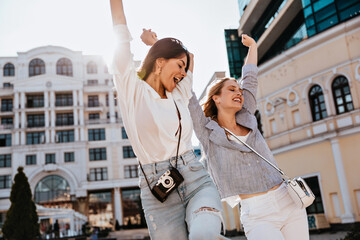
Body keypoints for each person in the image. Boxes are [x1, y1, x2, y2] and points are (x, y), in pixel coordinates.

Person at [109, 1, 228, 239]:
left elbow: (190, 57)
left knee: (204, 234)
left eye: (185, 69)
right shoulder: (131, 89)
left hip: (194, 177)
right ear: (160, 61)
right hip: (157, 191)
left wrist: (157, 43)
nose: (184, 73)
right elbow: (119, 29)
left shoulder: (180, 93)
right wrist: (155, 46)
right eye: (179, 66)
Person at [186, 35, 310, 239]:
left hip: (288, 200)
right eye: (231, 89)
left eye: (240, 90)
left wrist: (253, 46)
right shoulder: (206, 131)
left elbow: (250, 77)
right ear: (216, 97)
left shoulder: (247, 115)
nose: (239, 92)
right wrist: (190, 66)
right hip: (257, 214)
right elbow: (190, 100)